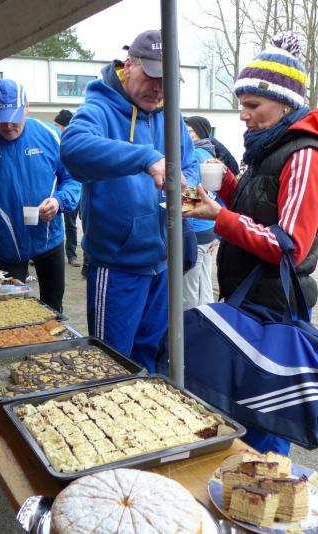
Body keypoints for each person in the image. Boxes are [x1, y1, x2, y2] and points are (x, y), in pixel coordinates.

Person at [184, 31, 318, 454]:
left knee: (266, 419)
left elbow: (288, 245)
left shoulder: (305, 156)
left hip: (275, 305)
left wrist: (219, 217)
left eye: (253, 105)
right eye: (241, 104)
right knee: (244, 409)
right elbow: (261, 209)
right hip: (252, 297)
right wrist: (228, 184)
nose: (243, 115)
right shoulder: (269, 148)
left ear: (285, 103)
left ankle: (269, 486)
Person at [60, 29, 197, 372]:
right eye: (152, 76)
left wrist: (189, 191)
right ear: (129, 65)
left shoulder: (171, 114)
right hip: (117, 266)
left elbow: (189, 164)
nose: (159, 89)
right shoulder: (100, 106)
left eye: (167, 81)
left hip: (163, 263)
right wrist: (146, 157)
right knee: (112, 365)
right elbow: (73, 148)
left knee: (152, 360)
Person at [0, 80, 79, 312]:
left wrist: (59, 201)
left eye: (14, 117)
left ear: (27, 107)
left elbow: (73, 178)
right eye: (1, 118)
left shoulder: (50, 135)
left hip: (49, 239)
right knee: (11, 311)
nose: (8, 124)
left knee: (53, 307)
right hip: (8, 247)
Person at [182, 115, 235, 309]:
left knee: (187, 289)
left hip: (195, 230)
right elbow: (220, 196)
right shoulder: (210, 155)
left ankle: (187, 325)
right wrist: (218, 234)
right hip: (209, 231)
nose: (184, 134)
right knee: (204, 286)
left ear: (200, 133)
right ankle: (207, 321)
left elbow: (190, 196)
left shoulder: (195, 155)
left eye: (189, 131)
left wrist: (180, 217)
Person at [52, 109, 82, 267]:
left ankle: (74, 256)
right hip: (62, 191)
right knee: (64, 223)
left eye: (56, 125)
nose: (54, 127)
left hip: (79, 189)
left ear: (64, 126)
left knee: (77, 225)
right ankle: (68, 254)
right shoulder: (55, 142)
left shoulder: (77, 142)